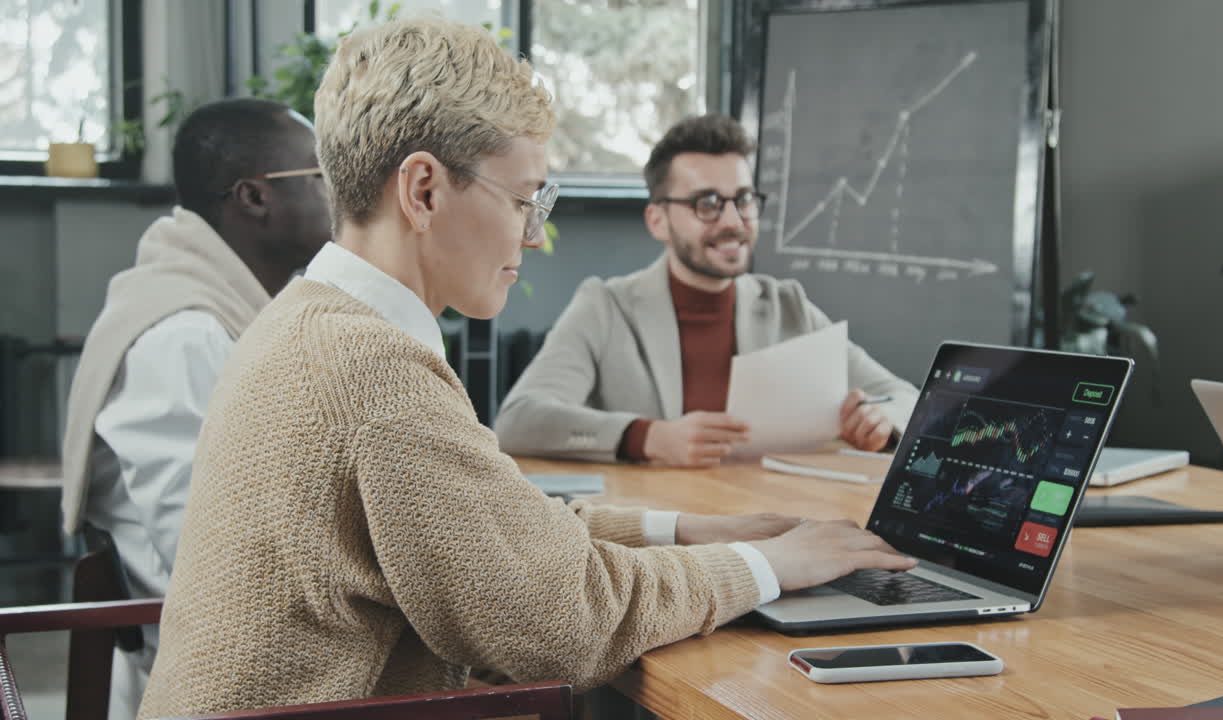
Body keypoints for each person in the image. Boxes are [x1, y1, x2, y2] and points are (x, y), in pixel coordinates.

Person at [137, 16, 914, 718]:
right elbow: (563, 623)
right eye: (524, 201)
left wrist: (683, 529)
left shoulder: (311, 320)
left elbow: (496, 535)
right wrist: (770, 563)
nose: (535, 237)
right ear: (423, 189)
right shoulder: (369, 368)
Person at [59, 98, 330, 720]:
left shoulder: (241, 309)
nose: (339, 193)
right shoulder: (183, 334)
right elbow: (208, 550)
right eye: (319, 176)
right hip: (212, 673)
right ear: (253, 198)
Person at [494, 113, 919, 467]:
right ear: (658, 220)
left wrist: (880, 418)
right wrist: (647, 437)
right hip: (663, 546)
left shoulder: (787, 306)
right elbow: (519, 421)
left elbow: (905, 397)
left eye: (744, 199)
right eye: (708, 204)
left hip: (771, 531)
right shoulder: (605, 306)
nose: (733, 221)